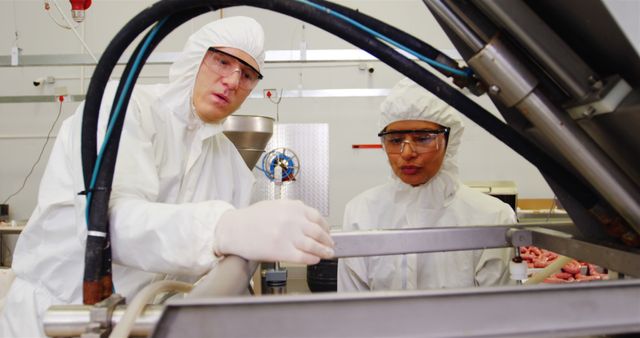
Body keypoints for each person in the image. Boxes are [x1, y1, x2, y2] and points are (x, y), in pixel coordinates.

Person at [0, 16, 334, 337]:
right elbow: (109, 224)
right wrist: (222, 228)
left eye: (247, 75)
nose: (233, 81)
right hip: (53, 318)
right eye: (222, 62)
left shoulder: (230, 164)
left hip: (141, 324)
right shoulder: (124, 108)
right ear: (194, 57)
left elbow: (221, 275)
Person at [337, 78, 515, 292]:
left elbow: (496, 312)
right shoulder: (360, 213)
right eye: (395, 140)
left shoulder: (492, 217)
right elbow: (354, 310)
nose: (407, 153)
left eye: (423, 138)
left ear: (450, 141)